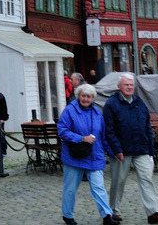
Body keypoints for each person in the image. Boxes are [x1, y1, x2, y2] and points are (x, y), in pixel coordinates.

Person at [103, 73, 158, 224]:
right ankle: (114, 211)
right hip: (122, 150)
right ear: (119, 86)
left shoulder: (139, 102)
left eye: (131, 85)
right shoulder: (111, 104)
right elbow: (109, 130)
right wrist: (116, 149)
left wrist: (150, 149)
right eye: (126, 85)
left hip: (141, 148)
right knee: (118, 182)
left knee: (147, 179)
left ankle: (153, 213)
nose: (129, 87)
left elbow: (147, 126)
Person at [57, 83, 114, 225]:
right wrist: (81, 138)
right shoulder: (69, 111)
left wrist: (112, 152)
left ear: (92, 98)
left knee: (98, 187)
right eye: (83, 96)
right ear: (78, 96)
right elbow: (62, 130)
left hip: (94, 156)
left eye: (89, 96)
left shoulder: (97, 113)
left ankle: (107, 216)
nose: (86, 99)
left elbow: (103, 136)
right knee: (70, 189)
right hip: (74, 156)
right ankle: (67, 216)